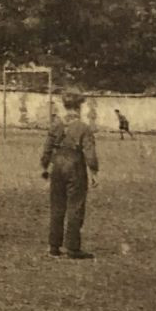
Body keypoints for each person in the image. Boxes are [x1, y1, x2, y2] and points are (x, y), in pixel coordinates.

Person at [42, 90, 99, 258]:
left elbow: (46, 149)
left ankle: (54, 245)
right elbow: (90, 153)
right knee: (75, 206)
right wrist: (94, 172)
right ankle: (73, 247)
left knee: (57, 206)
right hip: (75, 167)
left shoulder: (56, 125)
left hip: (57, 166)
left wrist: (45, 168)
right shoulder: (83, 128)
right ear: (78, 107)